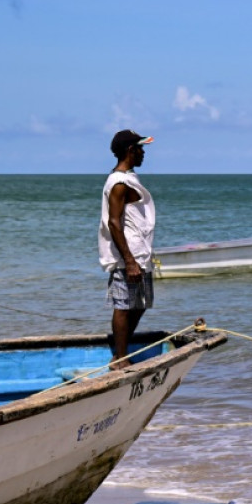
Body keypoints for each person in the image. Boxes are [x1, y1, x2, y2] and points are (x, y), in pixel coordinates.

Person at [98, 129, 156, 369]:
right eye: (140, 148)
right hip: (128, 256)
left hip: (140, 253)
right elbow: (114, 222)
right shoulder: (119, 183)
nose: (143, 153)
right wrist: (129, 261)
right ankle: (119, 358)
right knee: (123, 306)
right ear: (131, 151)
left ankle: (121, 349)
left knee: (140, 304)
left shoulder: (129, 177)